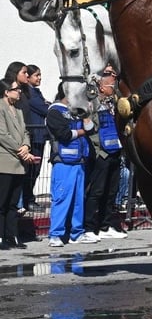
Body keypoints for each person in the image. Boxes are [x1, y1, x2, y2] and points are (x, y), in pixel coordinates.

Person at [46, 82, 95, 247]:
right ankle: (56, 234)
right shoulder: (54, 111)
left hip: (79, 162)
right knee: (61, 198)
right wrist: (82, 132)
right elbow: (63, 134)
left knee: (78, 200)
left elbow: (91, 128)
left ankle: (77, 232)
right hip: (63, 162)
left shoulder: (77, 111)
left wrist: (86, 115)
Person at [84, 65, 127, 240]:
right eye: (109, 75)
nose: (113, 80)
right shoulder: (92, 102)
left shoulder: (115, 101)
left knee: (111, 191)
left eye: (114, 76)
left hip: (115, 151)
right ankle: (88, 228)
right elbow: (89, 126)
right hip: (101, 152)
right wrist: (97, 149)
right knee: (96, 192)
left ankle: (105, 225)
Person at [0, 78, 39, 249]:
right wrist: (21, 151)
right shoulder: (0, 108)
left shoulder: (19, 111)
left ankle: (12, 235)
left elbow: (25, 132)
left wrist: (26, 146)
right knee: (2, 201)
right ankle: (1, 236)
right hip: (5, 161)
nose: (19, 92)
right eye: (16, 89)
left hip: (19, 162)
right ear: (6, 92)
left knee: (13, 203)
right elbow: (2, 135)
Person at [22, 64, 50, 212]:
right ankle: (28, 200)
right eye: (36, 75)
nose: (39, 78)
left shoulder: (36, 92)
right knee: (32, 171)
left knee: (36, 171)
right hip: (33, 136)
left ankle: (29, 198)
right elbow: (45, 109)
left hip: (40, 136)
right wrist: (48, 105)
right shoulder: (30, 94)